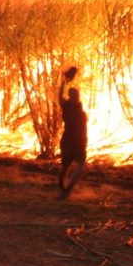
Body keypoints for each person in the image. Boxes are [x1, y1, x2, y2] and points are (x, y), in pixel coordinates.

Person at [57, 66, 88, 198]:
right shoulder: (81, 112)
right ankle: (68, 188)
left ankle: (62, 186)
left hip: (67, 140)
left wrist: (64, 82)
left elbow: (60, 97)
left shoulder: (67, 108)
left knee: (65, 166)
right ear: (77, 97)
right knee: (80, 164)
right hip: (78, 142)